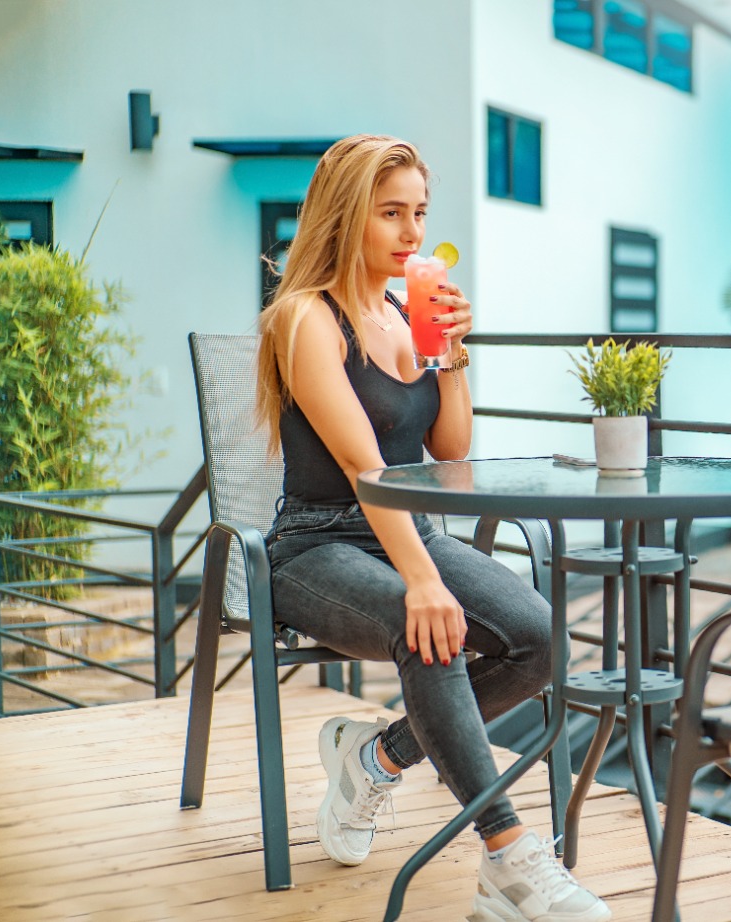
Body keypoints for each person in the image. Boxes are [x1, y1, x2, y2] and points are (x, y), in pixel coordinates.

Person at [255, 134, 610, 922]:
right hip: (316, 545)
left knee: (540, 637)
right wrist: (422, 581)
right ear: (345, 217)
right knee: (433, 632)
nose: (413, 233)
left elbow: (447, 451)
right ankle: (508, 857)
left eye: (419, 212)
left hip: (407, 528)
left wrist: (452, 357)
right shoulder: (304, 319)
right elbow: (366, 469)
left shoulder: (398, 312)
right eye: (391, 214)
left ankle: (375, 756)